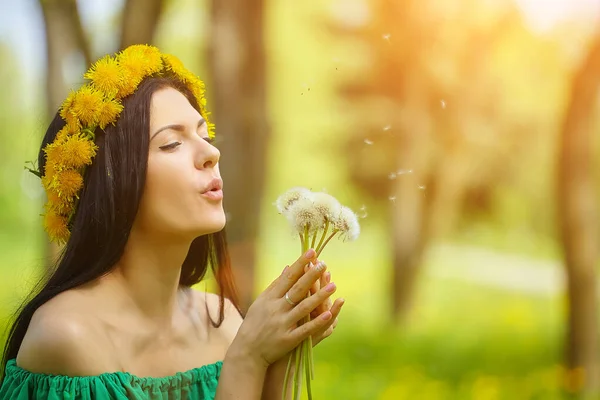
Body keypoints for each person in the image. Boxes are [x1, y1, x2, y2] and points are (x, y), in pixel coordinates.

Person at [0, 44, 344, 399]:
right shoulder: (68, 336)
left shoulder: (223, 323)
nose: (212, 153)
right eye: (171, 144)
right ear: (112, 182)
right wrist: (246, 359)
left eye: (205, 136)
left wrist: (281, 358)